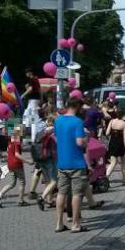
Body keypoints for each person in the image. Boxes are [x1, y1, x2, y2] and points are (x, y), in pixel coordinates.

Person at [54, 97, 90, 233]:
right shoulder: (77, 122)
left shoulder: (58, 121)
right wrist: (87, 139)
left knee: (61, 193)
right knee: (76, 194)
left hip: (62, 162)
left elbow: (56, 138)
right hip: (76, 162)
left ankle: (59, 223)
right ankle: (75, 224)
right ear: (77, 107)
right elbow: (80, 143)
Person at [0, 125, 31, 207]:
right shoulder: (16, 142)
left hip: (10, 164)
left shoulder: (10, 141)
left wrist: (6, 158)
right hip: (17, 164)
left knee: (12, 183)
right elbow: (17, 154)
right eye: (23, 132)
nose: (24, 134)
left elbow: (8, 152)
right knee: (22, 182)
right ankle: (21, 201)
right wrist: (27, 161)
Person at [32, 117, 58, 211]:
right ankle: (42, 197)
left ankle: (49, 201)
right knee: (54, 181)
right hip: (50, 159)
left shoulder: (41, 131)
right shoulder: (53, 132)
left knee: (47, 181)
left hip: (41, 159)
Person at [105, 109, 125, 184]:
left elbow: (107, 133)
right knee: (123, 163)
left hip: (112, 142)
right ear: (123, 115)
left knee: (113, 162)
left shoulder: (112, 121)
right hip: (120, 143)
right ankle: (124, 180)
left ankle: (106, 177)